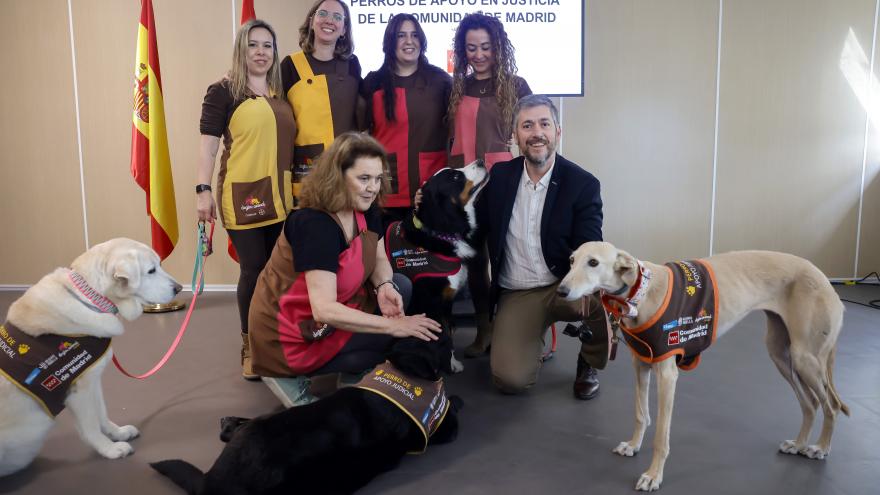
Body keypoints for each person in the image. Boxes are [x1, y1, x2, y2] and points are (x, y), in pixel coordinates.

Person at [247, 132, 442, 408]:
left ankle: (351, 374)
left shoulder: (367, 208)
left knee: (400, 285)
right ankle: (284, 376)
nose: (373, 188)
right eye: (364, 179)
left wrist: (384, 286)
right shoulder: (315, 224)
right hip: (288, 334)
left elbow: (379, 259)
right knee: (393, 331)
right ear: (337, 176)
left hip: (329, 316)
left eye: (377, 179)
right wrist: (395, 325)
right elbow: (323, 310)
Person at [474, 94, 611, 400]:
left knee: (609, 296)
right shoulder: (500, 178)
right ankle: (530, 337)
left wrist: (587, 284)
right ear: (515, 136)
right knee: (511, 380)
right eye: (527, 125)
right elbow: (474, 223)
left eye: (544, 124)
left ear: (557, 132)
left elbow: (589, 245)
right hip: (519, 291)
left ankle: (589, 360)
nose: (536, 132)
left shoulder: (582, 184)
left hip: (565, 285)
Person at [197, 19, 294, 381]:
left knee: (278, 270)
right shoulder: (223, 91)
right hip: (245, 195)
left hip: (282, 194)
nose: (260, 52)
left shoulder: (279, 91)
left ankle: (274, 340)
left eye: (267, 45)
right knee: (254, 270)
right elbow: (207, 149)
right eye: (253, 45)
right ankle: (250, 346)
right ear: (242, 49)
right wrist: (202, 191)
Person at [448, 12, 532, 357]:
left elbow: (530, 134)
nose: (479, 54)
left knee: (504, 258)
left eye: (485, 47)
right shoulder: (456, 87)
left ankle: (507, 329)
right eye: (471, 48)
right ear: (462, 50)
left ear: (497, 47)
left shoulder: (516, 86)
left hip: (501, 184)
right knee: (474, 260)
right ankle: (483, 330)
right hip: (465, 188)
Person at [361, 14, 452, 227]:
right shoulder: (373, 83)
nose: (409, 41)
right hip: (386, 192)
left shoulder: (440, 81)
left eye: (414, 35)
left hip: (431, 192)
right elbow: (361, 135)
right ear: (390, 42)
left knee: (430, 258)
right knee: (386, 257)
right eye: (401, 35)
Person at [281, 0, 363, 207]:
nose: (329, 21)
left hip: (347, 170)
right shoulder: (290, 65)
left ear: (344, 29)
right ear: (311, 21)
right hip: (307, 171)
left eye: (337, 17)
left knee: (346, 235)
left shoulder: (352, 64)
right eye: (323, 14)